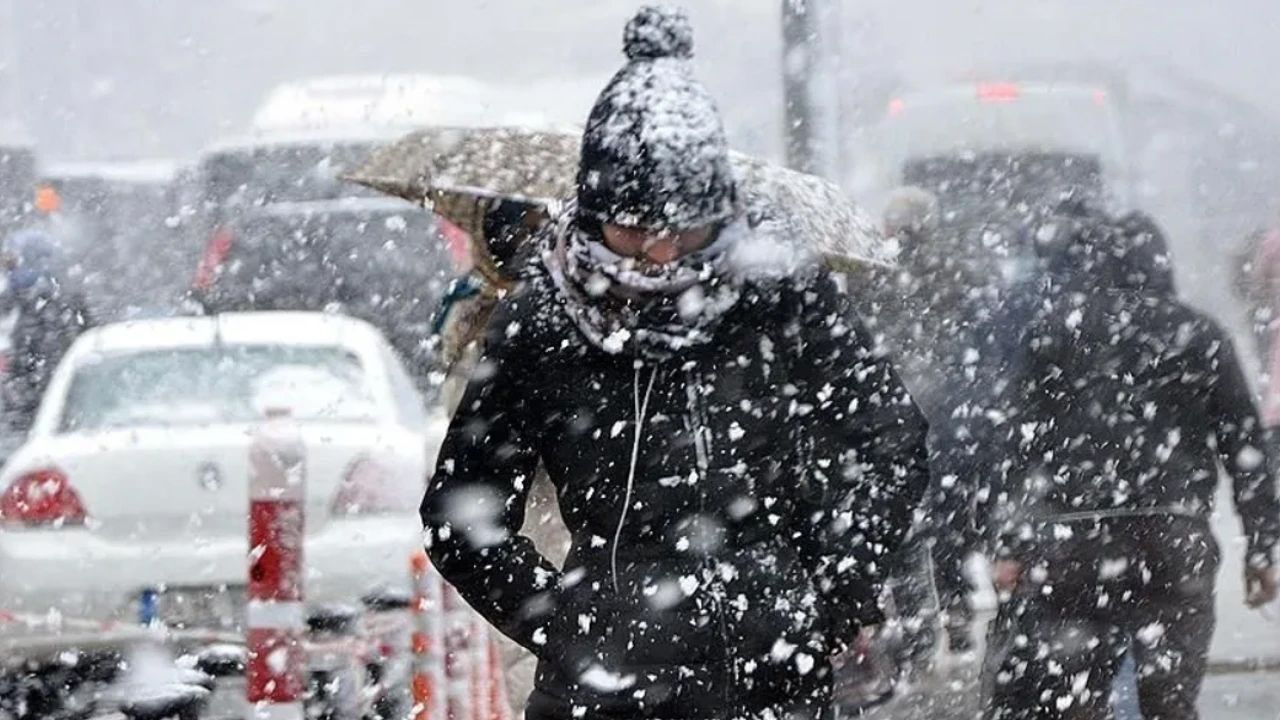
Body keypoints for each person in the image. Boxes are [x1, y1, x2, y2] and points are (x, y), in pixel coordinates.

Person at [420, 7, 932, 720]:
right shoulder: (543, 322)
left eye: (683, 233)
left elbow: (889, 438)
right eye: (633, 233)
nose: (659, 258)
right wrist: (566, 626)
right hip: (602, 692)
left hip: (773, 678)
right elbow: (460, 515)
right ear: (593, 213)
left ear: (720, 215)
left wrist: (833, 589)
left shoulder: (779, 295)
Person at [979, 209, 1280, 720]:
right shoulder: (1196, 333)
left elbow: (1013, 443)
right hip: (1171, 533)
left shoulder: (1053, 331)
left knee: (1074, 695)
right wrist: (1262, 546)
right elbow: (1243, 444)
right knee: (1169, 696)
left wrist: (1007, 542)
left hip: (1070, 541)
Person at [1, 230, 93, 434]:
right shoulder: (29, 301)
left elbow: (42, 367)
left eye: (12, 261)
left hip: (39, 414)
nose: (8, 269)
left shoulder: (46, 306)